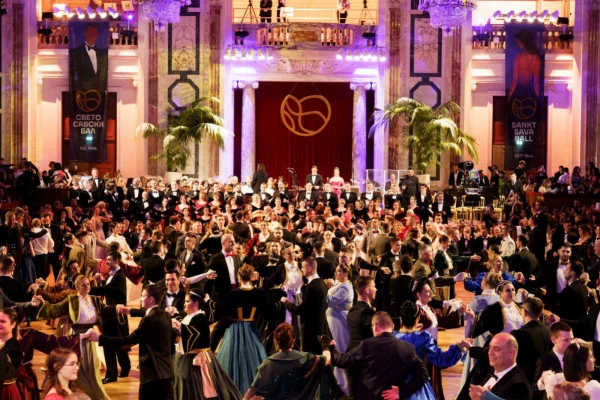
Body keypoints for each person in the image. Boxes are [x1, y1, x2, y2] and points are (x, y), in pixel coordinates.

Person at [86, 284, 175, 400]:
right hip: (166, 371)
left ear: (151, 299)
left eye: (143, 296)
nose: (141, 299)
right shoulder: (165, 315)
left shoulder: (148, 320)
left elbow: (127, 341)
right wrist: (129, 311)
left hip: (152, 374)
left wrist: (99, 338)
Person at [36, 275, 110, 400]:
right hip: (76, 336)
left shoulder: (94, 300)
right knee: (77, 367)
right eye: (83, 285)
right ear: (77, 287)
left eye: (88, 284)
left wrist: (118, 309)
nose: (87, 287)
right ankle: (76, 394)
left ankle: (92, 394)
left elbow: (106, 310)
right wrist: (42, 304)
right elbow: (55, 309)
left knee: (90, 369)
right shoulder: (72, 300)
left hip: (90, 338)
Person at [330, 311, 429, 400]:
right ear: (392, 326)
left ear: (375, 325)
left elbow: (340, 361)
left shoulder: (366, 346)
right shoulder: (408, 348)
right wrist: (401, 391)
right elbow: (423, 375)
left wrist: (332, 348)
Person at [171, 288, 242, 400]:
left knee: (195, 387)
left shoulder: (201, 318)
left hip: (194, 360)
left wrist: (179, 326)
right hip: (183, 358)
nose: (184, 304)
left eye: (187, 301)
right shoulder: (188, 316)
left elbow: (194, 333)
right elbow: (184, 324)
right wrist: (174, 316)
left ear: (196, 303)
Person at [395, 301, 471, 400]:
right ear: (417, 319)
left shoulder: (392, 337)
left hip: (395, 385)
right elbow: (441, 359)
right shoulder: (423, 337)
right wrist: (459, 347)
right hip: (418, 387)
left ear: (401, 319)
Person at [214, 264, 268, 394]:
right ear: (251, 276)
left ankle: (232, 392)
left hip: (234, 330)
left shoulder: (233, 294)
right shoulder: (258, 292)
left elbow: (221, 310)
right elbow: (268, 310)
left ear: (239, 277)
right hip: (251, 329)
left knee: (232, 360)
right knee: (253, 359)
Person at [244, 323, 330, 399]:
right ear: (294, 339)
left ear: (275, 341)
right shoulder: (308, 359)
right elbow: (327, 360)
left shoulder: (266, 365)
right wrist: (325, 346)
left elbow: (248, 395)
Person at [467, 333, 533, 400]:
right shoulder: (493, 371)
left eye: (496, 349)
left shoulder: (519, 386)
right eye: (490, 348)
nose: (490, 352)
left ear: (511, 354)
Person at [325, 264, 354, 395]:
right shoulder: (339, 285)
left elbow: (332, 301)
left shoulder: (346, 287)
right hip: (333, 321)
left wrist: (325, 289)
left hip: (339, 322)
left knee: (340, 349)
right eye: (336, 271)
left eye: (339, 271)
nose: (336, 273)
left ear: (346, 273)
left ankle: (344, 387)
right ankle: (337, 385)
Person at [533, 322, 574, 399]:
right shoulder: (544, 361)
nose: (570, 343)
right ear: (553, 340)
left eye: (571, 339)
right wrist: (542, 381)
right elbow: (534, 388)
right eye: (566, 340)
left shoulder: (576, 356)